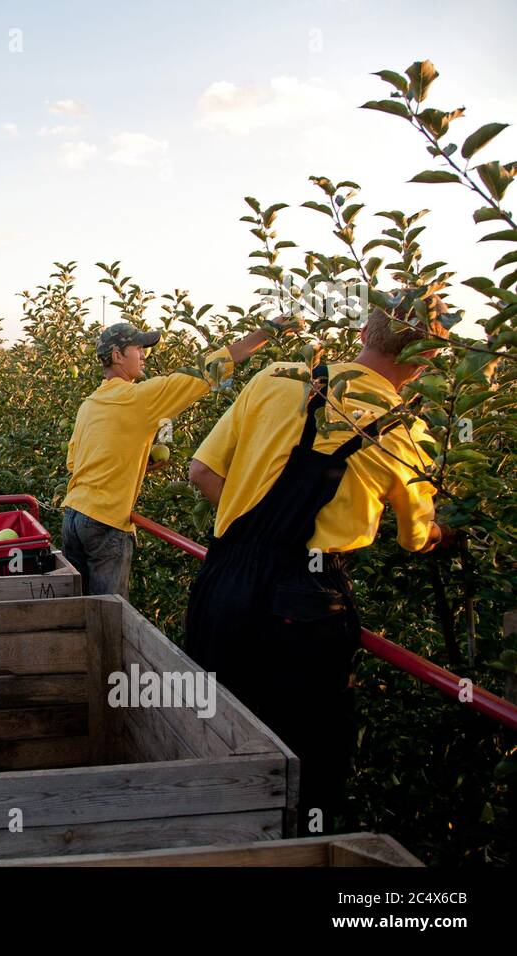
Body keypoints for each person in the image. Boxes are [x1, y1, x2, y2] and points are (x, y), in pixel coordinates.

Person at [183, 297, 451, 832]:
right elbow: (416, 538)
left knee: (212, 727)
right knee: (308, 756)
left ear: (362, 332)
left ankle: (208, 839)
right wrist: (451, 532)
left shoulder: (276, 380)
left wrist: (252, 526)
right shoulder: (404, 434)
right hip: (305, 603)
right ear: (426, 359)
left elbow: (200, 473)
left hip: (222, 581)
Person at [62, 320, 286, 599]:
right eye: (138, 348)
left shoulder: (89, 405)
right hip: (105, 521)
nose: (144, 355)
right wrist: (265, 333)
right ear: (117, 356)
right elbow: (204, 372)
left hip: (73, 517)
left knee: (78, 609)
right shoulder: (139, 398)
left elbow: (77, 464)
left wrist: (138, 462)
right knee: (109, 614)